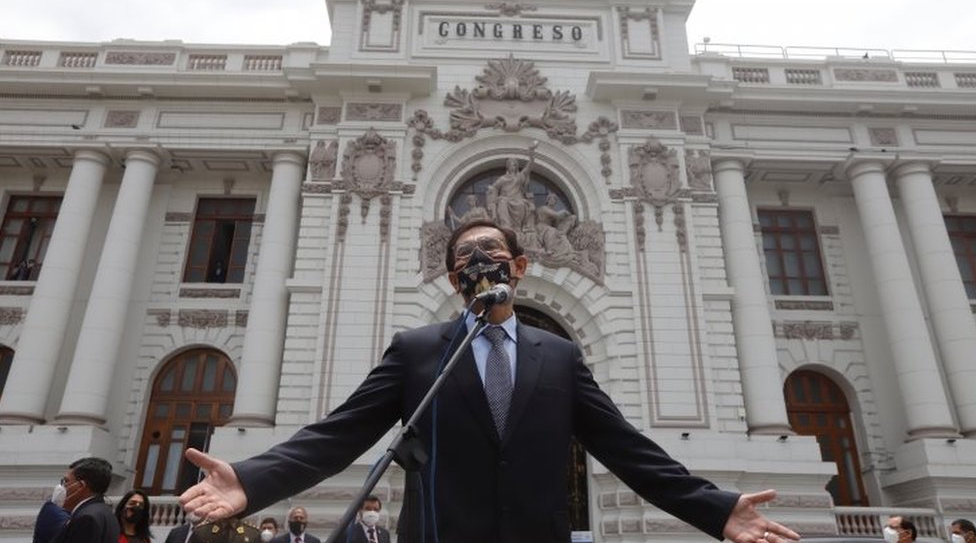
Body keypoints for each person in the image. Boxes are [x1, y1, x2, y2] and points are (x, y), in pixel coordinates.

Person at [179, 220, 800, 543]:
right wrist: (253, 479)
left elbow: (627, 449)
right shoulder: (420, 351)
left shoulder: (558, 356)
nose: (477, 263)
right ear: (454, 281)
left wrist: (717, 510)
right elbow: (339, 434)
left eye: (489, 251)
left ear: (519, 267)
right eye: (463, 260)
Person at [50, 457, 120, 543]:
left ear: (80, 486)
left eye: (66, 481)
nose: (63, 487)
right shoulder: (106, 513)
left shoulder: (87, 518)